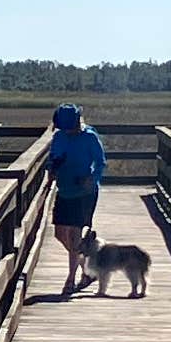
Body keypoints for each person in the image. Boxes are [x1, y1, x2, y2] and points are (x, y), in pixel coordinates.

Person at [44, 105, 109, 291]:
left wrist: (92, 178)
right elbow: (53, 158)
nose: (68, 131)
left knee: (74, 236)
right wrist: (53, 168)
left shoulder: (89, 137)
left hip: (84, 193)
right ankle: (87, 267)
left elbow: (100, 162)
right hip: (64, 190)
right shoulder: (58, 137)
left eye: (70, 127)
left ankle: (71, 280)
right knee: (60, 233)